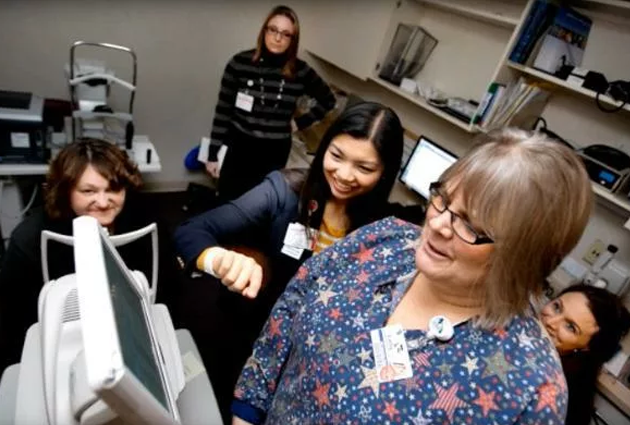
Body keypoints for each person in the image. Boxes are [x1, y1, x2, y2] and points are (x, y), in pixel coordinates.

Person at [231, 128, 593, 424]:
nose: (437, 224)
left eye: (469, 223)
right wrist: (246, 412)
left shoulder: (530, 388)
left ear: (522, 257)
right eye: (443, 199)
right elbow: (288, 314)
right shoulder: (381, 240)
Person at [174, 101, 419, 421]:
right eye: (336, 156)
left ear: (385, 172)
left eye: (364, 168)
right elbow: (193, 230)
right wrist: (220, 260)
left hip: (320, 355)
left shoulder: (384, 229)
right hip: (255, 333)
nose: (344, 175)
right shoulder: (286, 190)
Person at [0, 138, 154, 373]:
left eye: (113, 189)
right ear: (66, 191)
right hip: (59, 349)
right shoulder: (30, 240)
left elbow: (168, 296)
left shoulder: (145, 224)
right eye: (88, 191)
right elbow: (14, 323)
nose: (103, 202)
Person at [206, 5, 336, 202]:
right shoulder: (239, 64)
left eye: (286, 34)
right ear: (264, 31)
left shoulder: (300, 71)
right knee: (229, 203)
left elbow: (328, 99)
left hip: (274, 152)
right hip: (240, 147)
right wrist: (213, 153)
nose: (277, 38)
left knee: (262, 205)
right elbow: (223, 111)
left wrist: (299, 123)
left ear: (293, 40)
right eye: (273, 30)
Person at [541, 284, 630, 425]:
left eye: (570, 327)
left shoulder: (556, 390)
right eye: (557, 307)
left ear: (585, 347)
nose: (550, 322)